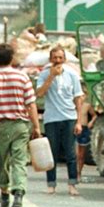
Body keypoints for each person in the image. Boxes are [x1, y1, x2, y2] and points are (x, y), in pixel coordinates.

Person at [0, 43, 41, 207]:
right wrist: (36, 126)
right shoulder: (23, 78)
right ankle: (18, 192)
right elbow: (31, 104)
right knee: (19, 160)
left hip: (0, 126)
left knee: (2, 160)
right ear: (12, 58)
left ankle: (4, 191)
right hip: (20, 125)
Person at [36, 46, 83, 196]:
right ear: (50, 59)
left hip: (69, 117)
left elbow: (78, 98)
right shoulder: (44, 75)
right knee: (52, 153)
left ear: (64, 59)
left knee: (70, 153)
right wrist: (51, 77)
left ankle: (72, 184)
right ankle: (51, 184)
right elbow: (40, 93)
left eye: (60, 58)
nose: (57, 61)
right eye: (54, 58)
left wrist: (79, 121)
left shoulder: (72, 75)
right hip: (52, 118)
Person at [76, 86, 97, 182]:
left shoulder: (87, 105)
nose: (82, 97)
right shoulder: (73, 105)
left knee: (81, 154)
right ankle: (73, 173)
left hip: (84, 128)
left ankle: (79, 173)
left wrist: (91, 122)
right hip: (75, 128)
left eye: (83, 95)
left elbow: (94, 115)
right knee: (75, 153)